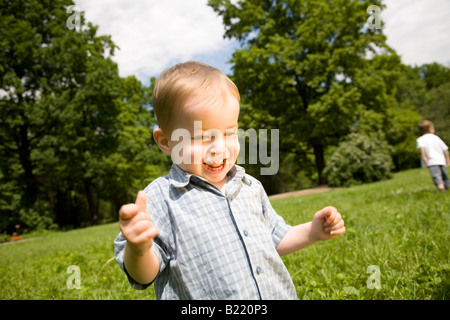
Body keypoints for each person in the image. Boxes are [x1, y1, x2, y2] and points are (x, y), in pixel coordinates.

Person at [114, 61, 346, 299]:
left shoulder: (250, 186)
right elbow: (144, 275)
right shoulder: (162, 199)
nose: (219, 148)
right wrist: (139, 250)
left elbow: (274, 237)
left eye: (229, 133)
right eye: (203, 137)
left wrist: (313, 232)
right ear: (165, 141)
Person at [416, 120, 450, 192]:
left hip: (432, 161)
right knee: (444, 175)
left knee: (436, 175)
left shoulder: (421, 139)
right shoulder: (436, 138)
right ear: (431, 128)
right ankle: (447, 187)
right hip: (441, 160)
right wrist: (447, 158)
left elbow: (422, 148)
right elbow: (445, 149)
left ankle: (441, 189)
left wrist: (424, 157)